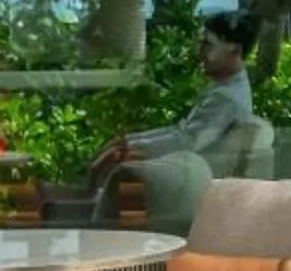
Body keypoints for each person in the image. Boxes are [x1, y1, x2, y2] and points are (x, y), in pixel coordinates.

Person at [86, 10, 263, 202]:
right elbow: (184, 132)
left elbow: (187, 142)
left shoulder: (226, 98)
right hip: (186, 173)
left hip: (187, 185)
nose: (198, 52)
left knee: (121, 169)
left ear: (235, 51)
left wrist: (130, 147)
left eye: (207, 44)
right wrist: (127, 141)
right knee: (113, 161)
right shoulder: (227, 87)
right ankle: (97, 213)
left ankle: (112, 224)